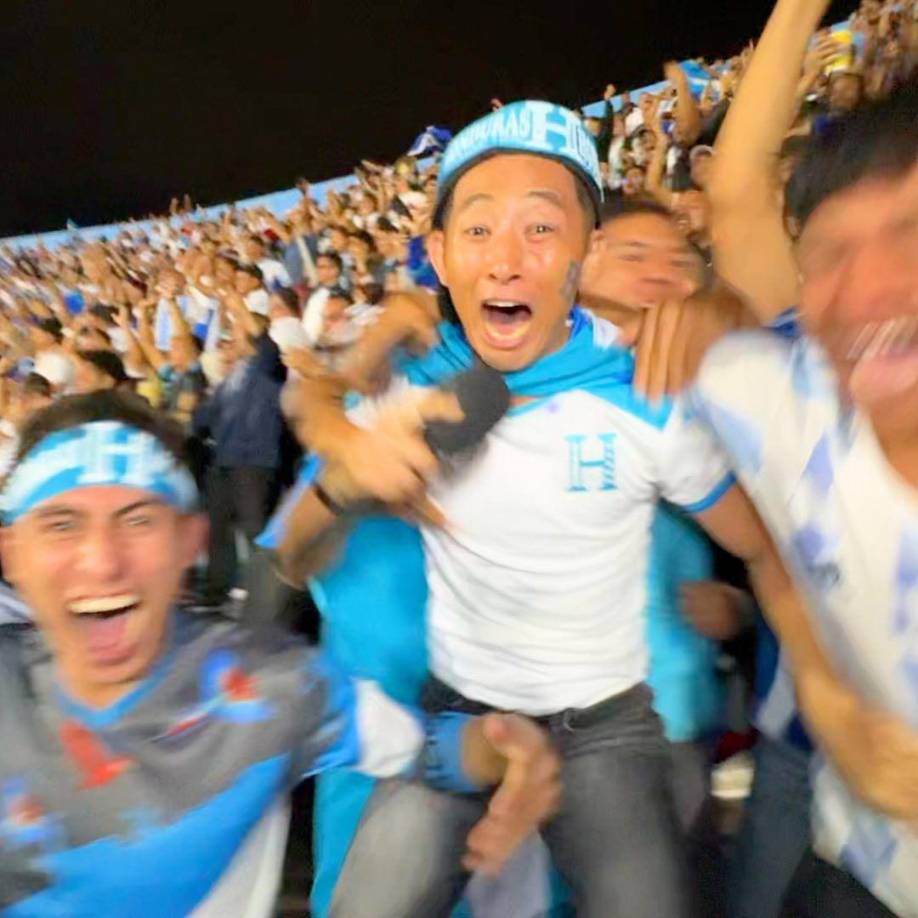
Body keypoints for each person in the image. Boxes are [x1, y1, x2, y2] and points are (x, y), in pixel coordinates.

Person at [274, 101, 828, 918]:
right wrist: (342, 479)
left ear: (585, 249)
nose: (506, 262)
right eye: (478, 232)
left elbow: (764, 544)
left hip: (606, 729)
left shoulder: (646, 394)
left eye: (540, 229)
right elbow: (289, 556)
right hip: (457, 722)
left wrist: (815, 676)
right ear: (439, 256)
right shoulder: (407, 381)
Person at [0, 389, 561, 915]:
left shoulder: (273, 687)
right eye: (62, 524)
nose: (101, 560)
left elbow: (434, 750)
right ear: (13, 552)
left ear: (189, 541)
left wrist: (512, 748)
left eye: (137, 519)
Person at [692, 73, 918, 917]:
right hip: (853, 874)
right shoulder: (775, 402)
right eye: (827, 254)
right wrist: (836, 708)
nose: (865, 290)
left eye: (910, 233)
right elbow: (778, 561)